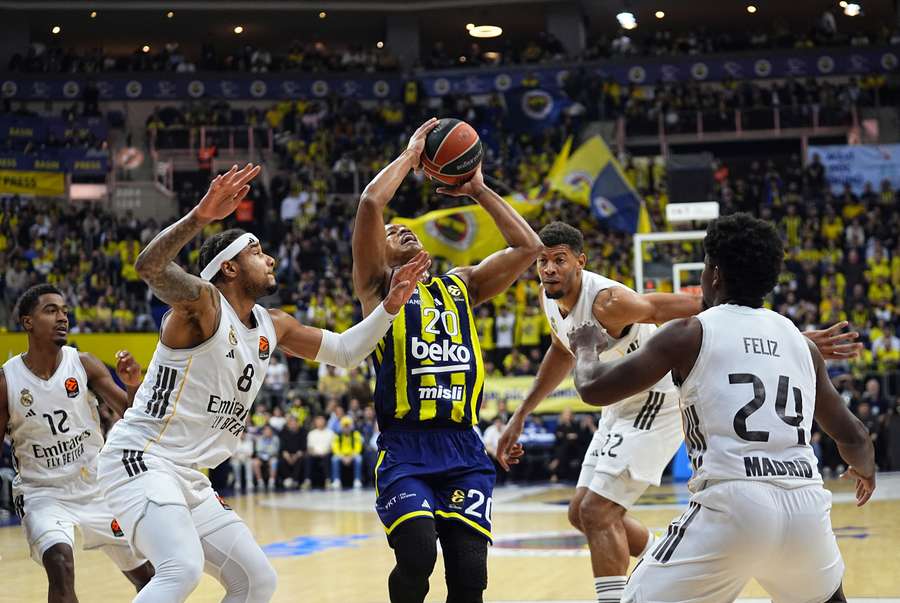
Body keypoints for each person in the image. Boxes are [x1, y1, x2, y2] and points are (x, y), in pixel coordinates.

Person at [96, 163, 429, 603]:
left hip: (189, 476)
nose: (269, 257)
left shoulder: (276, 325)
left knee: (256, 581)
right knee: (181, 568)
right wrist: (200, 216)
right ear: (229, 269)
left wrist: (388, 306)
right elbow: (149, 266)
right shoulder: (202, 305)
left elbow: (348, 352)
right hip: (141, 459)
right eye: (256, 252)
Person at [496, 221, 864, 603]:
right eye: (542, 261)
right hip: (618, 400)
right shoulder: (548, 296)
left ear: (580, 262)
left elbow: (705, 312)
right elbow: (562, 348)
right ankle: (665, 551)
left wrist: (790, 336)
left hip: (653, 398)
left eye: (558, 260)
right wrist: (521, 413)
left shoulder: (608, 301)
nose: (549, 269)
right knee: (581, 513)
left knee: (597, 510)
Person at [352, 118, 542, 603]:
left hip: (463, 446)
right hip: (407, 446)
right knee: (417, 553)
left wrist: (478, 189)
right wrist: (413, 156)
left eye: (406, 230)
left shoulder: (462, 285)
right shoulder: (378, 290)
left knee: (469, 574)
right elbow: (373, 203)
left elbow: (529, 248)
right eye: (392, 235)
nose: (401, 231)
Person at [0, 284, 155, 601]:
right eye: (51, 310)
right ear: (28, 322)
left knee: (148, 577)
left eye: (65, 312)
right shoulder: (7, 381)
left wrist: (132, 384)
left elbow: (131, 412)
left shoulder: (83, 363)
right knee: (59, 562)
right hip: (42, 491)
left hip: (97, 487)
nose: (62, 318)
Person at [331, 416, 363, 489]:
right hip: (341, 455)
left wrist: (351, 457)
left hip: (352, 455)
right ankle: (336, 480)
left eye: (348, 426)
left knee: (359, 459)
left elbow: (358, 448)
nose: (346, 428)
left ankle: (357, 480)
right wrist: (342, 457)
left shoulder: (356, 434)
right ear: (341, 427)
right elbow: (335, 448)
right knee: (334, 459)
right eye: (344, 426)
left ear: (351, 426)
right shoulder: (337, 435)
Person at [276, 414, 306, 490]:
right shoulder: (283, 432)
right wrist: (286, 454)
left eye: (294, 423)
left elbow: (303, 446)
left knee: (301, 460)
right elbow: (282, 447)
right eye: (291, 423)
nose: (293, 425)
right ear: (288, 424)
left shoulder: (302, 432)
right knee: (281, 460)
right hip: (287, 454)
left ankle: (295, 479)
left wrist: (297, 455)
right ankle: (287, 478)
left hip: (298, 454)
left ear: (298, 423)